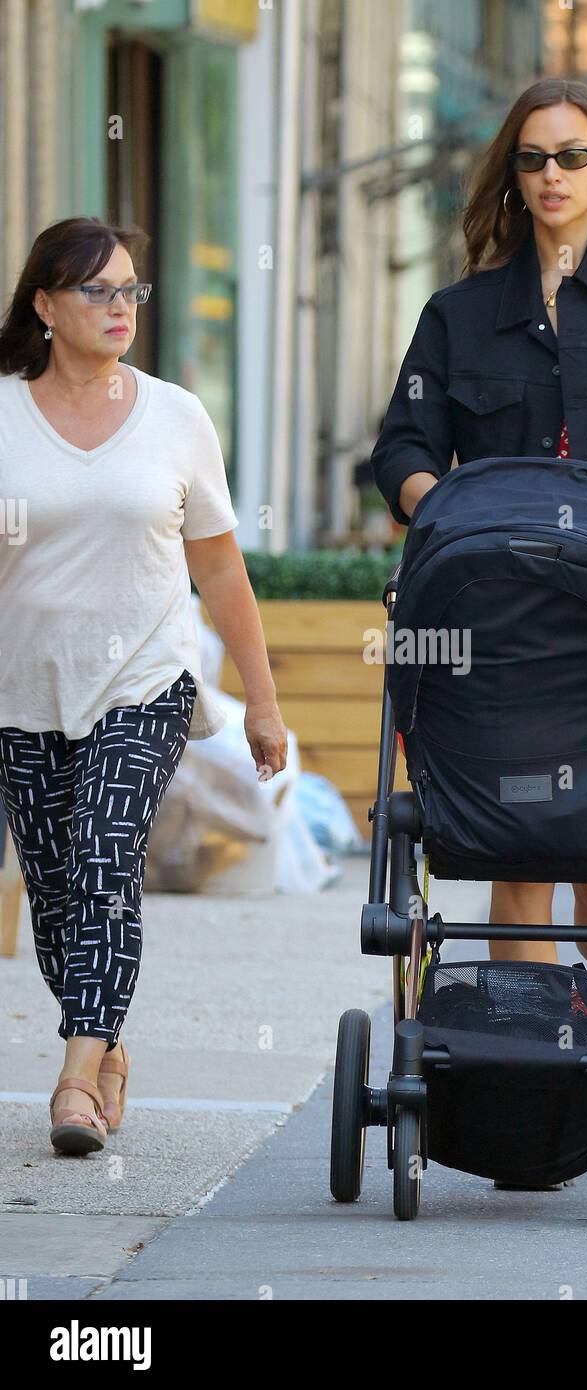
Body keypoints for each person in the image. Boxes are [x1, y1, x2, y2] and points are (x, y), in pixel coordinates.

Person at [370, 78, 587, 1005]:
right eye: (533, 159)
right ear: (511, 177)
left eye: (573, 155)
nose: (553, 174)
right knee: (519, 838)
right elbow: (401, 446)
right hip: (493, 613)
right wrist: (446, 515)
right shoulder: (460, 311)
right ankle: (531, 1063)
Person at [0, 216, 288, 1154]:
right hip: (23, 686)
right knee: (54, 891)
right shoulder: (3, 412)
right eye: (98, 291)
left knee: (102, 855)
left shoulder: (174, 416)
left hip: (147, 676)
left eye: (131, 290)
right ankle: (109, 1036)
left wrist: (265, 699)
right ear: (45, 306)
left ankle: (76, 1073)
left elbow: (220, 570)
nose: (120, 307)